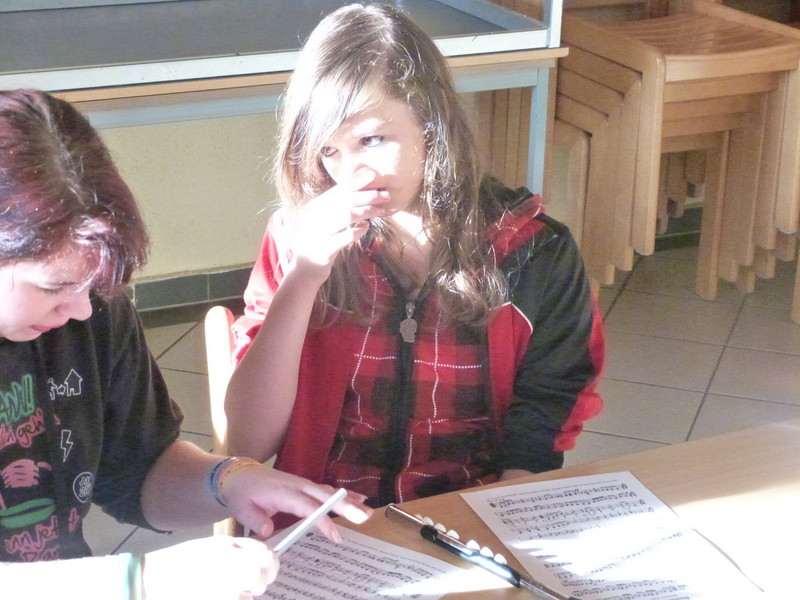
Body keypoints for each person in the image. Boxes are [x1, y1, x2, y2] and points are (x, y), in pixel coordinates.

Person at [227, 4, 605, 515]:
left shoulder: (535, 252)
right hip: (332, 516)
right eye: (329, 151)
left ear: (432, 123)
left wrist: (507, 521)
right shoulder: (297, 237)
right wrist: (304, 276)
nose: (352, 175)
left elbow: (544, 417)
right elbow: (248, 442)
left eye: (372, 140)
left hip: (473, 509)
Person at [0, 88, 371, 599]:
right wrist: (138, 582)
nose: (81, 309)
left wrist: (229, 481)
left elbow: (140, 469)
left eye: (91, 287)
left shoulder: (91, 310)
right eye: (53, 287)